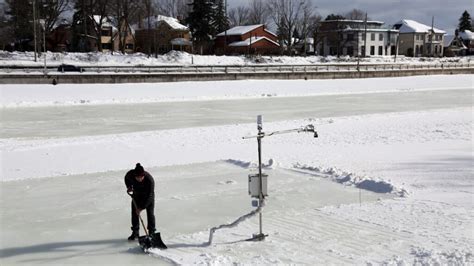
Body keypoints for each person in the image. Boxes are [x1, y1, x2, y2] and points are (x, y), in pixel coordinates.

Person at [124, 163, 156, 241]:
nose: (139, 179)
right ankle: (135, 232)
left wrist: (141, 208)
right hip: (136, 195)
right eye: (137, 177)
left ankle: (151, 232)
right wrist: (129, 186)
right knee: (134, 214)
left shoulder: (149, 180)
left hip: (148, 197)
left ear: (143, 175)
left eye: (141, 177)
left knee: (150, 213)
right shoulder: (131, 174)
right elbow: (126, 178)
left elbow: (150, 196)